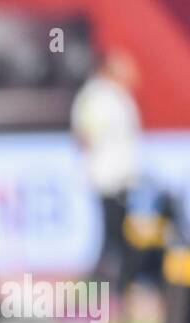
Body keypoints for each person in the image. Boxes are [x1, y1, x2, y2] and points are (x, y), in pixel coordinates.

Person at [71, 49, 141, 297]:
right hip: (108, 178)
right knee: (115, 238)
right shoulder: (97, 97)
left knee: (119, 237)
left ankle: (113, 287)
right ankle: (106, 289)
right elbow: (85, 136)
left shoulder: (115, 95)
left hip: (119, 178)